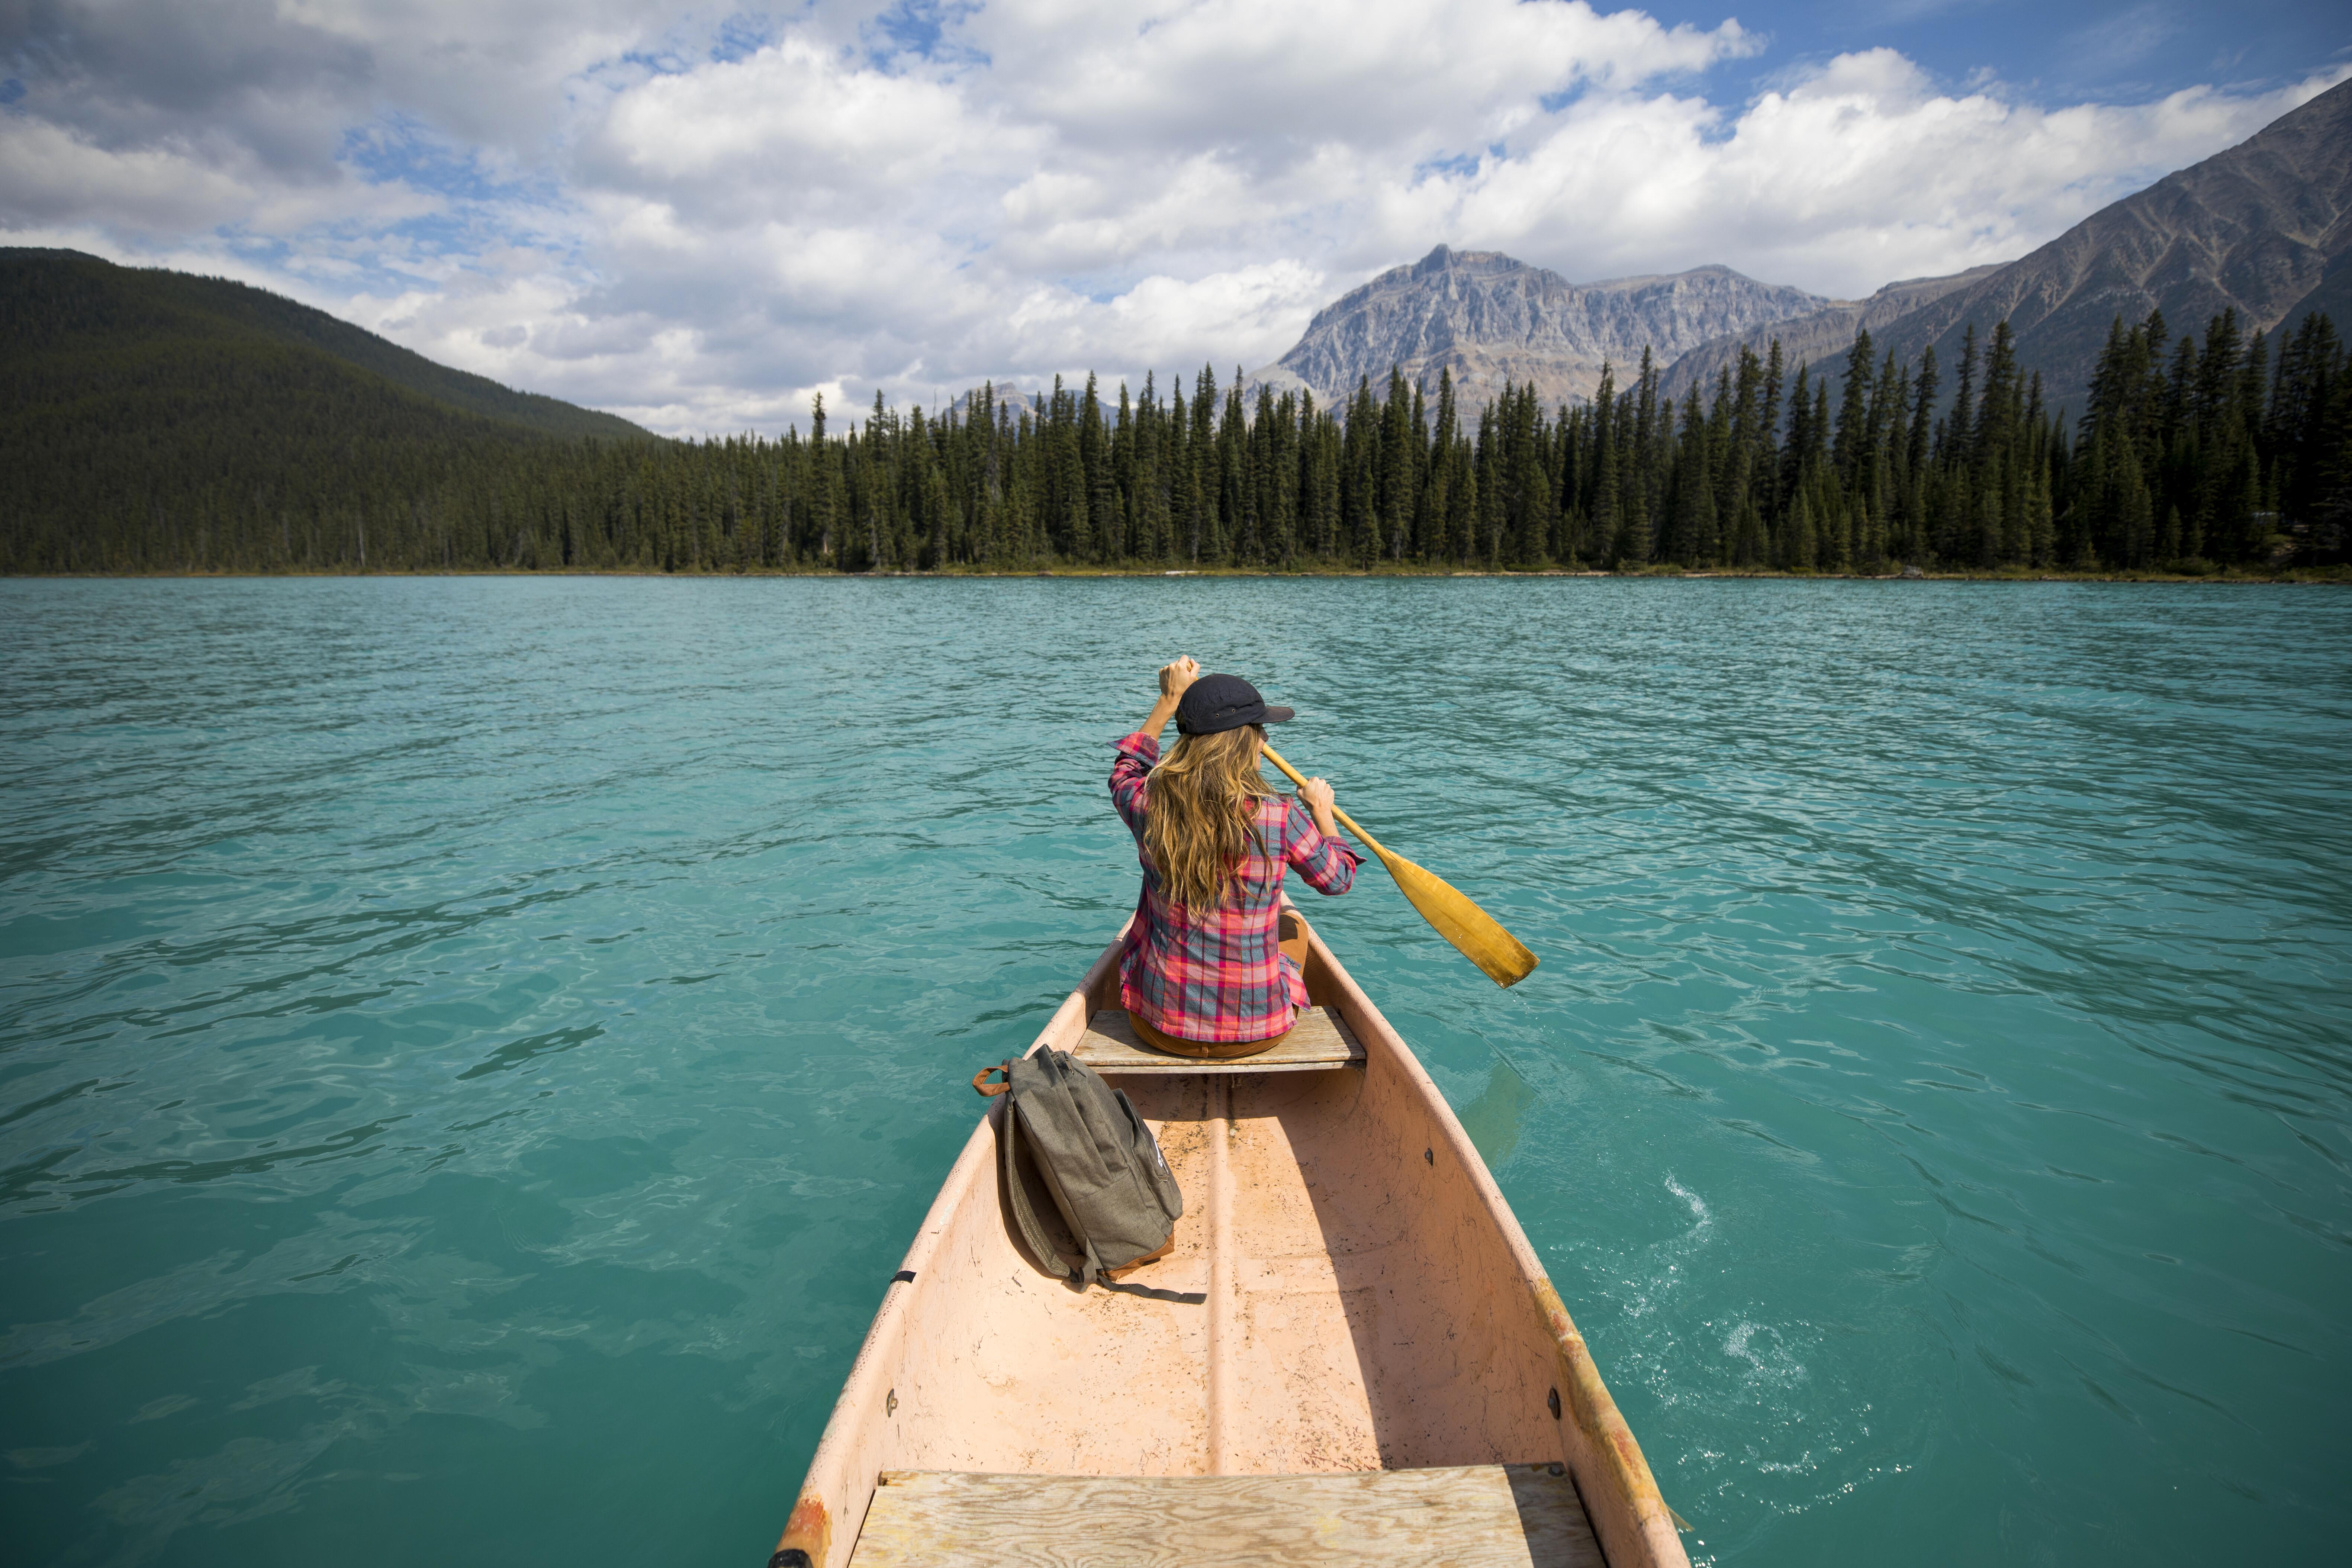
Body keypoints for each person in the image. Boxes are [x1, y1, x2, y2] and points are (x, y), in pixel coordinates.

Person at [1108, 657, 1359, 1058]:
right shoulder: (1280, 815)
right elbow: (1338, 879)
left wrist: (1168, 699)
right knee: (1293, 925)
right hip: (1259, 1032)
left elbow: (1126, 769)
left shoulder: (1147, 803)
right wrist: (1323, 814)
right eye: (1259, 731)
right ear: (1242, 740)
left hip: (1158, 1029)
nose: (1265, 741)